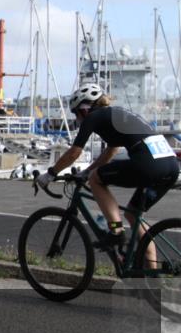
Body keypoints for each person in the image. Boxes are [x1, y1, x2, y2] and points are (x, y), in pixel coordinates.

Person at [36, 83, 179, 265]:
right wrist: (87, 171)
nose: (77, 118)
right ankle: (151, 273)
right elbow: (112, 151)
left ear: (85, 108)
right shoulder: (116, 114)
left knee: (96, 179)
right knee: (134, 214)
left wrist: (50, 174)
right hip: (170, 165)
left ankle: (116, 232)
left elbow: (74, 152)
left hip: (149, 164)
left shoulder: (94, 117)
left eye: (75, 113)